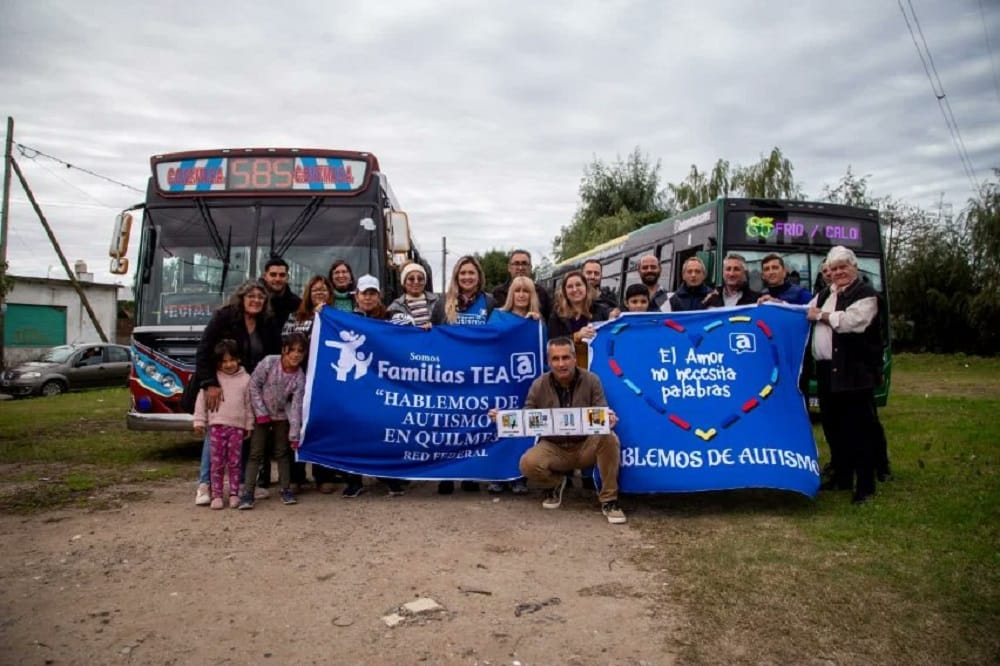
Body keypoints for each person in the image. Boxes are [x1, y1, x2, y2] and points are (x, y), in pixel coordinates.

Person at [498, 337, 626, 524]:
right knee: (528, 463)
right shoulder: (539, 384)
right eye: (555, 359)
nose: (561, 364)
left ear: (574, 358)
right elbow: (527, 415)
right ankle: (556, 483)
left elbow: (601, 410)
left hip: (585, 445)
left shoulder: (591, 380)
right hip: (554, 447)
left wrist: (609, 419)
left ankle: (610, 501)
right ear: (548, 362)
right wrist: (503, 418)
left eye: (565, 358)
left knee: (609, 437)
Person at [189, 280, 281, 506]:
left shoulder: (267, 322)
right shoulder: (224, 317)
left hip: (248, 384)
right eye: (252, 296)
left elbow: (273, 354)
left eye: (261, 297)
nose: (256, 301)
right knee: (216, 433)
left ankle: (241, 484)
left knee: (243, 435)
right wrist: (210, 382)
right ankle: (205, 485)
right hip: (219, 384)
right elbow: (204, 350)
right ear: (242, 298)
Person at [806, 246, 885, 504]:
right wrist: (773, 304)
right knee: (833, 427)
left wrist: (822, 316)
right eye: (833, 268)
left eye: (843, 267)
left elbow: (853, 322)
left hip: (855, 372)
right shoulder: (825, 294)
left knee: (859, 430)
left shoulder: (866, 294)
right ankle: (841, 476)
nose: (838, 272)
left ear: (854, 267)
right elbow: (802, 311)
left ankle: (865, 487)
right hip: (828, 371)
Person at [431, 256, 495, 493]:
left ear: (479, 276)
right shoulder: (442, 303)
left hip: (478, 375)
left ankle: (470, 474)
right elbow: (432, 336)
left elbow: (501, 331)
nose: (467, 277)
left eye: (471, 273)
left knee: (473, 424)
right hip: (449, 375)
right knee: (447, 424)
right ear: (456, 276)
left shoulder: (489, 302)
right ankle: (446, 475)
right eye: (463, 273)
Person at [343, 275, 407, 497]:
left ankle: (389, 477)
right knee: (353, 432)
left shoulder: (390, 316)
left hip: (384, 385)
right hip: (357, 385)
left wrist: (423, 326)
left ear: (379, 296)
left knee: (384, 430)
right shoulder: (346, 319)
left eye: (372, 293)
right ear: (357, 296)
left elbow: (409, 325)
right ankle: (354, 479)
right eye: (364, 293)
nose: (368, 298)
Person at [239, 332, 308, 509]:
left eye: (300, 351)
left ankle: (285, 488)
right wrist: (260, 411)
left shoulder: (300, 376)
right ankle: (248, 492)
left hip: (281, 415)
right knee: (256, 453)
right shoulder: (269, 362)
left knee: (282, 452)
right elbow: (254, 384)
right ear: (284, 350)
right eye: (292, 350)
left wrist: (294, 434)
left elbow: (296, 406)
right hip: (260, 413)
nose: (296, 354)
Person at [486, 275, 541, 495]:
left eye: (525, 291)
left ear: (531, 295)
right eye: (517, 290)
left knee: (522, 427)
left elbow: (540, 353)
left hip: (524, 383)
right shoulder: (497, 316)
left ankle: (519, 476)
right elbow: (487, 343)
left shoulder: (536, 322)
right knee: (499, 426)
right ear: (511, 294)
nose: (521, 295)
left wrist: (532, 325)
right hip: (500, 379)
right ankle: (497, 475)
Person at [283, 275, 336, 492]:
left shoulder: (336, 316)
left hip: (325, 381)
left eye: (324, 290)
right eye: (315, 290)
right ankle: (296, 477)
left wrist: (324, 316)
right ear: (308, 293)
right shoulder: (295, 316)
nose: (319, 293)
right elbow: (286, 342)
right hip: (299, 379)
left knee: (321, 427)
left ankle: (322, 476)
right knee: (296, 425)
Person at [193, 339, 254, 510]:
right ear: (218, 362)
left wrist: (249, 425)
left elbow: (249, 405)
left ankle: (234, 493)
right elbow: (201, 400)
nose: (228, 365)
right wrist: (199, 421)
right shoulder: (213, 379)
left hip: (237, 428)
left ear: (239, 359)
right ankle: (216, 495)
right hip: (216, 427)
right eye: (224, 361)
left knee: (235, 462)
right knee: (217, 463)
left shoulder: (246, 379)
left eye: (232, 360)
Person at [548, 270, 612, 369]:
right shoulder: (557, 315)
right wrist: (576, 336)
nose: (574, 289)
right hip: (568, 369)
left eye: (578, 285)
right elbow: (552, 342)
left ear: (586, 288)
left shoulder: (601, 310)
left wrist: (613, 316)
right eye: (570, 287)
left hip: (597, 367)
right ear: (565, 291)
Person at [492, 249, 552, 321]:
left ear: (530, 267)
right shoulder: (497, 293)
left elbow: (548, 321)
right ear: (509, 268)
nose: (520, 268)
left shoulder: (542, 293)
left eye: (524, 263)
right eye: (516, 263)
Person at [387, 262, 438, 329]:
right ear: (404, 282)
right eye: (411, 279)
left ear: (424, 282)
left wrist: (433, 326)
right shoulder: (395, 307)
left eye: (420, 279)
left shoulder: (437, 302)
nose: (416, 282)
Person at [261, 256, 302, 326]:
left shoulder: (298, 304)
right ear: (265, 276)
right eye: (273, 275)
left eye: (282, 275)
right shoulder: (256, 302)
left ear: (287, 277)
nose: (277, 279)